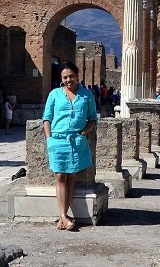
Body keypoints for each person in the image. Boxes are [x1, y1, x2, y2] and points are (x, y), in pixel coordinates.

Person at [42, 63, 97, 231]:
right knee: (60, 176)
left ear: (77, 76)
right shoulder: (54, 94)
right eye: (65, 77)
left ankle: (62, 217)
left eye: (71, 76)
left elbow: (92, 118)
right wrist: (49, 139)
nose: (68, 80)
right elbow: (47, 118)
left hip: (76, 140)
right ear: (61, 79)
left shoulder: (87, 95)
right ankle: (64, 216)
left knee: (71, 176)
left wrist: (84, 132)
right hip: (57, 140)